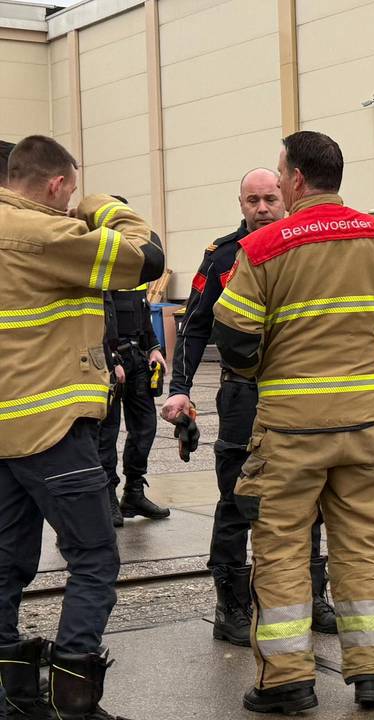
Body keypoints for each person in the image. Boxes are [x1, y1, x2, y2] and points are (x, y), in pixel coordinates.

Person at [213, 131, 374, 713]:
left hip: (289, 430)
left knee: (282, 549)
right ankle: (373, 676)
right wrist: (372, 354)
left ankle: (286, 682)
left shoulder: (263, 248)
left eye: (283, 175)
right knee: (363, 548)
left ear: (298, 180)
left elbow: (234, 341)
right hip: (367, 424)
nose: (279, 184)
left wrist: (271, 362)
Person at [0, 135, 164, 719]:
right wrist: (102, 205)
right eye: (69, 186)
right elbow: (147, 258)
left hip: (4, 436)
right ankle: (74, 698)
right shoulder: (45, 234)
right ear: (55, 185)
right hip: (50, 426)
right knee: (95, 557)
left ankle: (12, 696)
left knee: (7, 564)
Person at [160, 169, 337, 648]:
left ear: (286, 197)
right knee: (237, 499)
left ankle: (313, 597)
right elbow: (195, 327)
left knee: (310, 496)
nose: (262, 208)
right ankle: (231, 607)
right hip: (244, 395)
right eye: (253, 200)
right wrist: (180, 388)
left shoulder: (306, 248)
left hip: (302, 393)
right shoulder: (221, 258)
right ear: (240, 203)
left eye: (270, 199)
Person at [97, 232, 171, 526]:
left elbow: (143, 312)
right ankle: (107, 498)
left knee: (145, 428)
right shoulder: (98, 268)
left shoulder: (135, 268)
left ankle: (134, 492)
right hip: (110, 361)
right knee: (108, 433)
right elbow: (98, 319)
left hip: (138, 358)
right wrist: (111, 358)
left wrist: (153, 347)